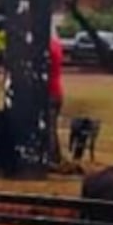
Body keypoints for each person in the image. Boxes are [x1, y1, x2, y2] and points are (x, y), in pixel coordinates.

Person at [49, 34, 65, 164]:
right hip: (56, 91)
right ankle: (55, 156)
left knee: (49, 128)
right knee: (51, 127)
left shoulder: (47, 47)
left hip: (49, 92)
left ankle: (52, 158)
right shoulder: (56, 44)